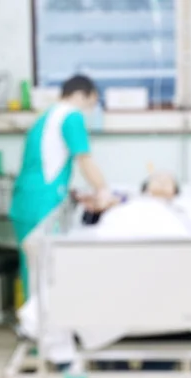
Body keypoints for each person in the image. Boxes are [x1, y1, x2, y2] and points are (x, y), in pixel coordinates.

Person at [9, 74, 114, 302]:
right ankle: (42, 329)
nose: (91, 110)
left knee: (32, 268)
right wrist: (104, 190)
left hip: (25, 200)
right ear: (85, 95)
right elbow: (84, 159)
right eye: (92, 103)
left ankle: (33, 325)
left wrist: (72, 191)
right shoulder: (71, 115)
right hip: (43, 202)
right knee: (44, 269)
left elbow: (48, 162)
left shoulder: (47, 116)